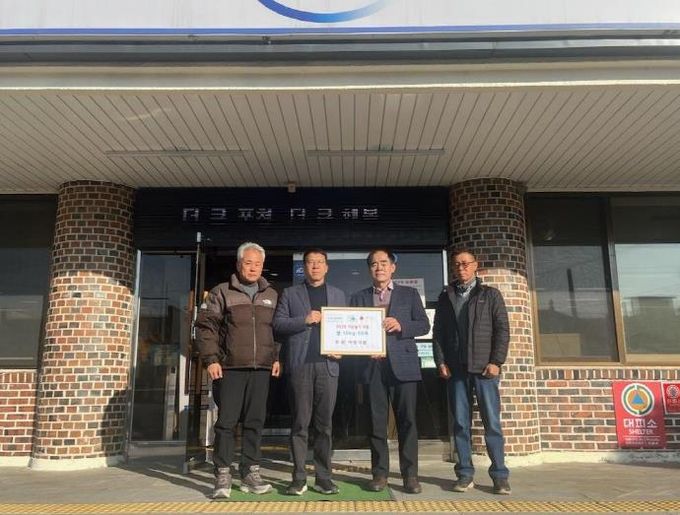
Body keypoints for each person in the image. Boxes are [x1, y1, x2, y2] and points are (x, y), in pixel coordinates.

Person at [195, 241, 281, 499]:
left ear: (263, 266)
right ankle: (222, 473)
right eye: (248, 262)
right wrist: (211, 359)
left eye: (258, 264)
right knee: (226, 423)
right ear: (238, 264)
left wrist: (276, 357)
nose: (253, 268)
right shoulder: (222, 292)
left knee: (255, 422)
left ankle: (250, 473)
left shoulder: (272, 295)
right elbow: (206, 328)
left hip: (262, 369)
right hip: (230, 368)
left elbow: (277, 331)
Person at [350, 248, 430, 494]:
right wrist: (365, 349)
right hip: (372, 367)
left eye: (384, 263)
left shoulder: (409, 294)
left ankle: (410, 476)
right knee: (376, 423)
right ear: (369, 269)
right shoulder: (359, 297)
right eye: (374, 264)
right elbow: (352, 332)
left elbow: (424, 325)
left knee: (407, 421)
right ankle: (379, 474)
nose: (379, 267)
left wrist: (401, 325)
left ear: (393, 267)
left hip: (404, 366)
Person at [432, 248, 511, 495]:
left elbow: (502, 330)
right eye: (457, 264)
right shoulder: (446, 296)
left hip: (485, 370)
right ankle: (465, 474)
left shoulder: (490, 294)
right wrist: (440, 361)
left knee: (492, 423)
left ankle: (500, 475)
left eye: (465, 263)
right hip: (456, 369)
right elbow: (438, 332)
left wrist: (496, 361)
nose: (461, 268)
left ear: (476, 265)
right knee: (460, 424)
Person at [273, 248, 346, 496]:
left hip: (329, 366)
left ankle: (324, 478)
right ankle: (299, 477)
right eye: (310, 262)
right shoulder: (290, 293)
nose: (315, 266)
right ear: (303, 267)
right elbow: (278, 324)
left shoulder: (338, 294)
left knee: (325, 426)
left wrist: (343, 350)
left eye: (319, 262)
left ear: (327, 267)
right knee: (300, 424)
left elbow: (346, 328)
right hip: (300, 365)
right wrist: (304, 319)